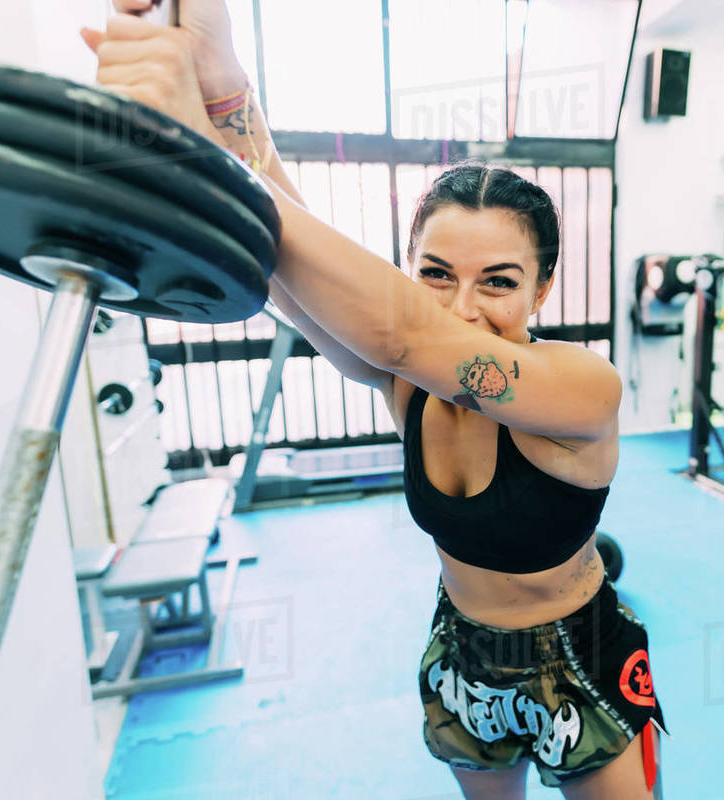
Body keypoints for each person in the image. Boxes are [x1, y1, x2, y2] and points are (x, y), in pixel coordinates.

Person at [82, 4, 666, 797]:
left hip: (580, 653)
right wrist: (223, 89)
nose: (462, 308)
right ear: (407, 270)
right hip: (465, 652)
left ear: (544, 288)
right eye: (435, 274)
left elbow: (410, 337)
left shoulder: (583, 389)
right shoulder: (408, 384)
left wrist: (200, 149)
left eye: (499, 281)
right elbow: (294, 277)